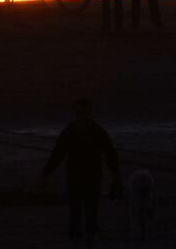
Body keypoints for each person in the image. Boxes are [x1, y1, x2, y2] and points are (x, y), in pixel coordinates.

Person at [40, 97, 122, 243]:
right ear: (74, 113)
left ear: (89, 113)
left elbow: (110, 153)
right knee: (74, 213)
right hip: (74, 177)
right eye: (78, 113)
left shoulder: (98, 132)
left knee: (91, 211)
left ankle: (89, 238)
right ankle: (77, 239)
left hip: (93, 177)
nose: (80, 116)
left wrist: (115, 175)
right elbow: (57, 154)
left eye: (83, 113)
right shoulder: (68, 132)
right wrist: (46, 173)